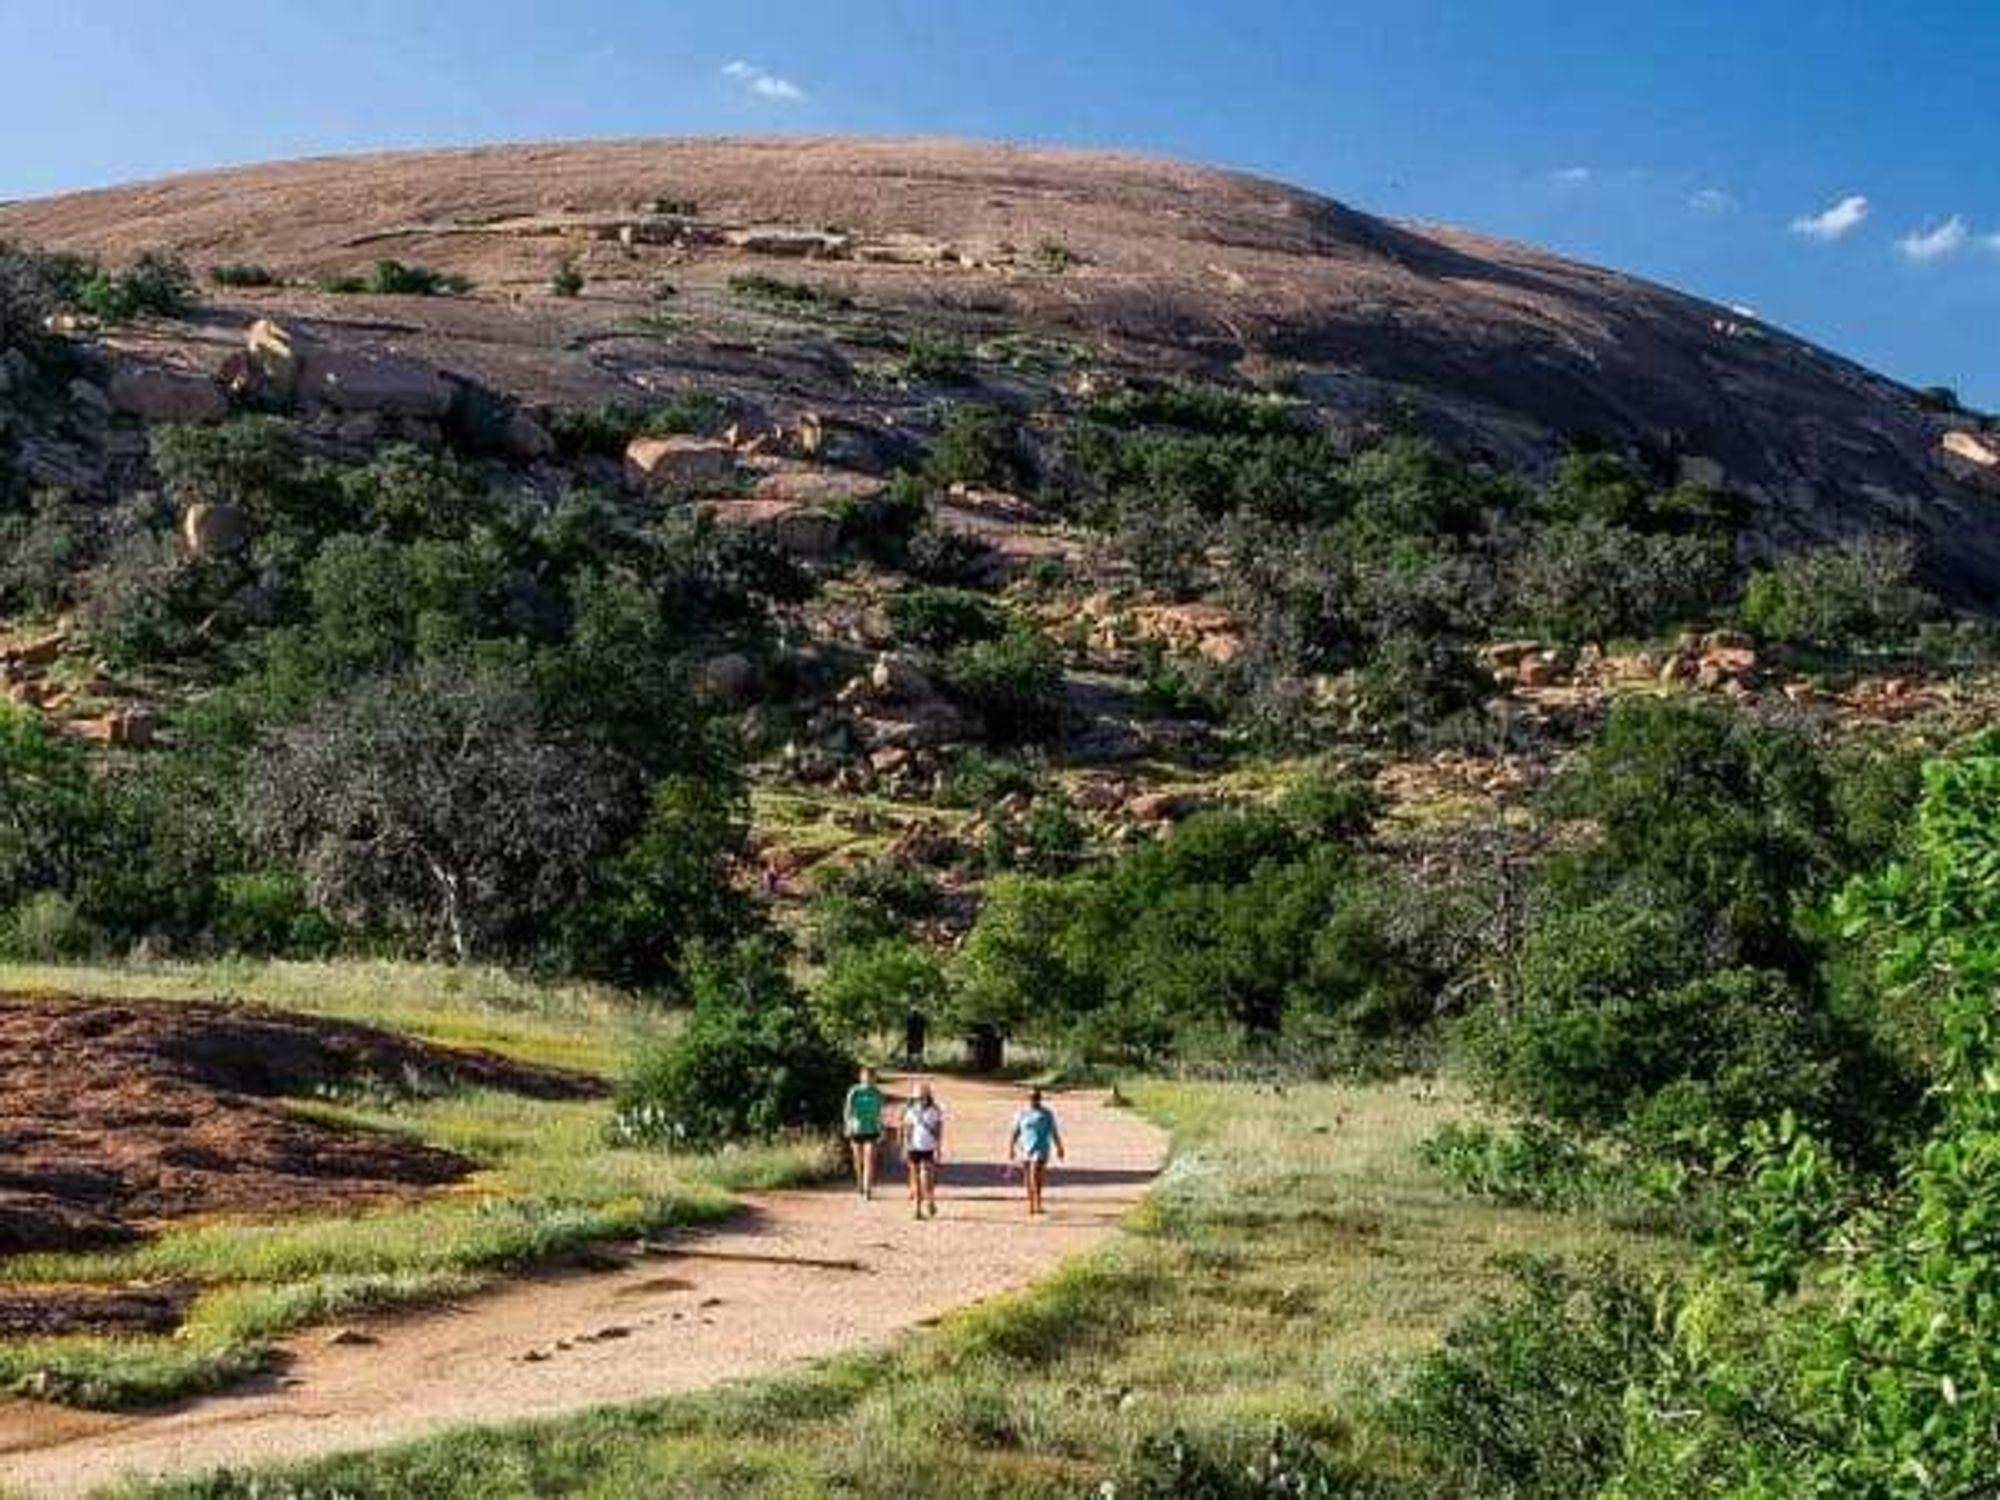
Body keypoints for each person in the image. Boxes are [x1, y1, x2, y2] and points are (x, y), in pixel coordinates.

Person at [1009, 1087, 1066, 1217]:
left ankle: (1038, 1203)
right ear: (1028, 1099)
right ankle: (1031, 1203)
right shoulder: (1021, 1113)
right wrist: (1011, 1148)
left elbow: (1053, 1132)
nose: (1034, 1100)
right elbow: (1015, 1132)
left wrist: (1059, 1148)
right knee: (1028, 1178)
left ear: (1040, 1098)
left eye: (1036, 1097)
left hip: (1041, 1148)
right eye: (1032, 1097)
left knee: (1035, 1175)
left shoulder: (1046, 1114)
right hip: (1025, 1148)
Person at [898, 1083, 945, 1219]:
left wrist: (938, 1148)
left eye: (923, 1096)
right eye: (918, 1097)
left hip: (928, 1148)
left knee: (927, 1178)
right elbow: (907, 1130)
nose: (921, 1099)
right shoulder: (910, 1111)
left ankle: (930, 1199)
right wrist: (904, 1147)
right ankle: (917, 1209)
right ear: (914, 1098)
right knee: (916, 1179)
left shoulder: (935, 1110)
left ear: (928, 1096)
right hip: (914, 1148)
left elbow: (938, 1130)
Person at [842, 1066, 887, 1199]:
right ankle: (860, 1182)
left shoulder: (877, 1093)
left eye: (871, 1077)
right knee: (858, 1160)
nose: (868, 1079)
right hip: (856, 1129)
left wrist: (882, 1128)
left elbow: (880, 1113)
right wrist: (847, 1125)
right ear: (861, 1077)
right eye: (866, 1076)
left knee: (870, 1160)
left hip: (872, 1129)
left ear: (874, 1079)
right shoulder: (854, 1091)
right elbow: (847, 1110)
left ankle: (868, 1188)